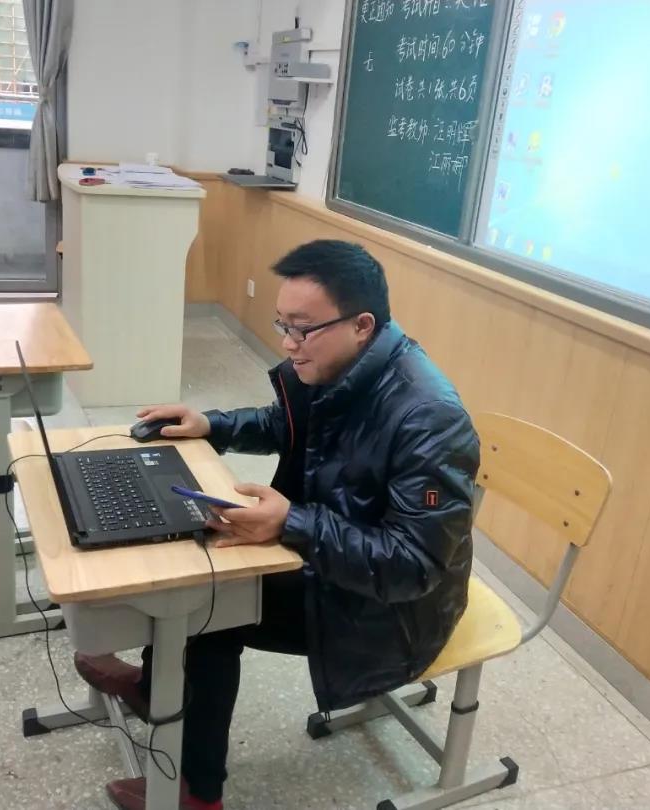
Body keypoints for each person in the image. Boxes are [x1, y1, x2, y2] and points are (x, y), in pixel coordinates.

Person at [76, 239, 480, 810]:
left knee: (208, 607)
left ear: (362, 324)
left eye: (303, 329)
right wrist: (211, 424)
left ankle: (197, 793)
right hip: (337, 562)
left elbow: (413, 566)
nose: (288, 343)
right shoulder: (342, 366)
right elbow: (282, 422)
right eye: (282, 324)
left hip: (391, 614)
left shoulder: (429, 418)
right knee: (196, 564)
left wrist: (293, 522)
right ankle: (153, 690)